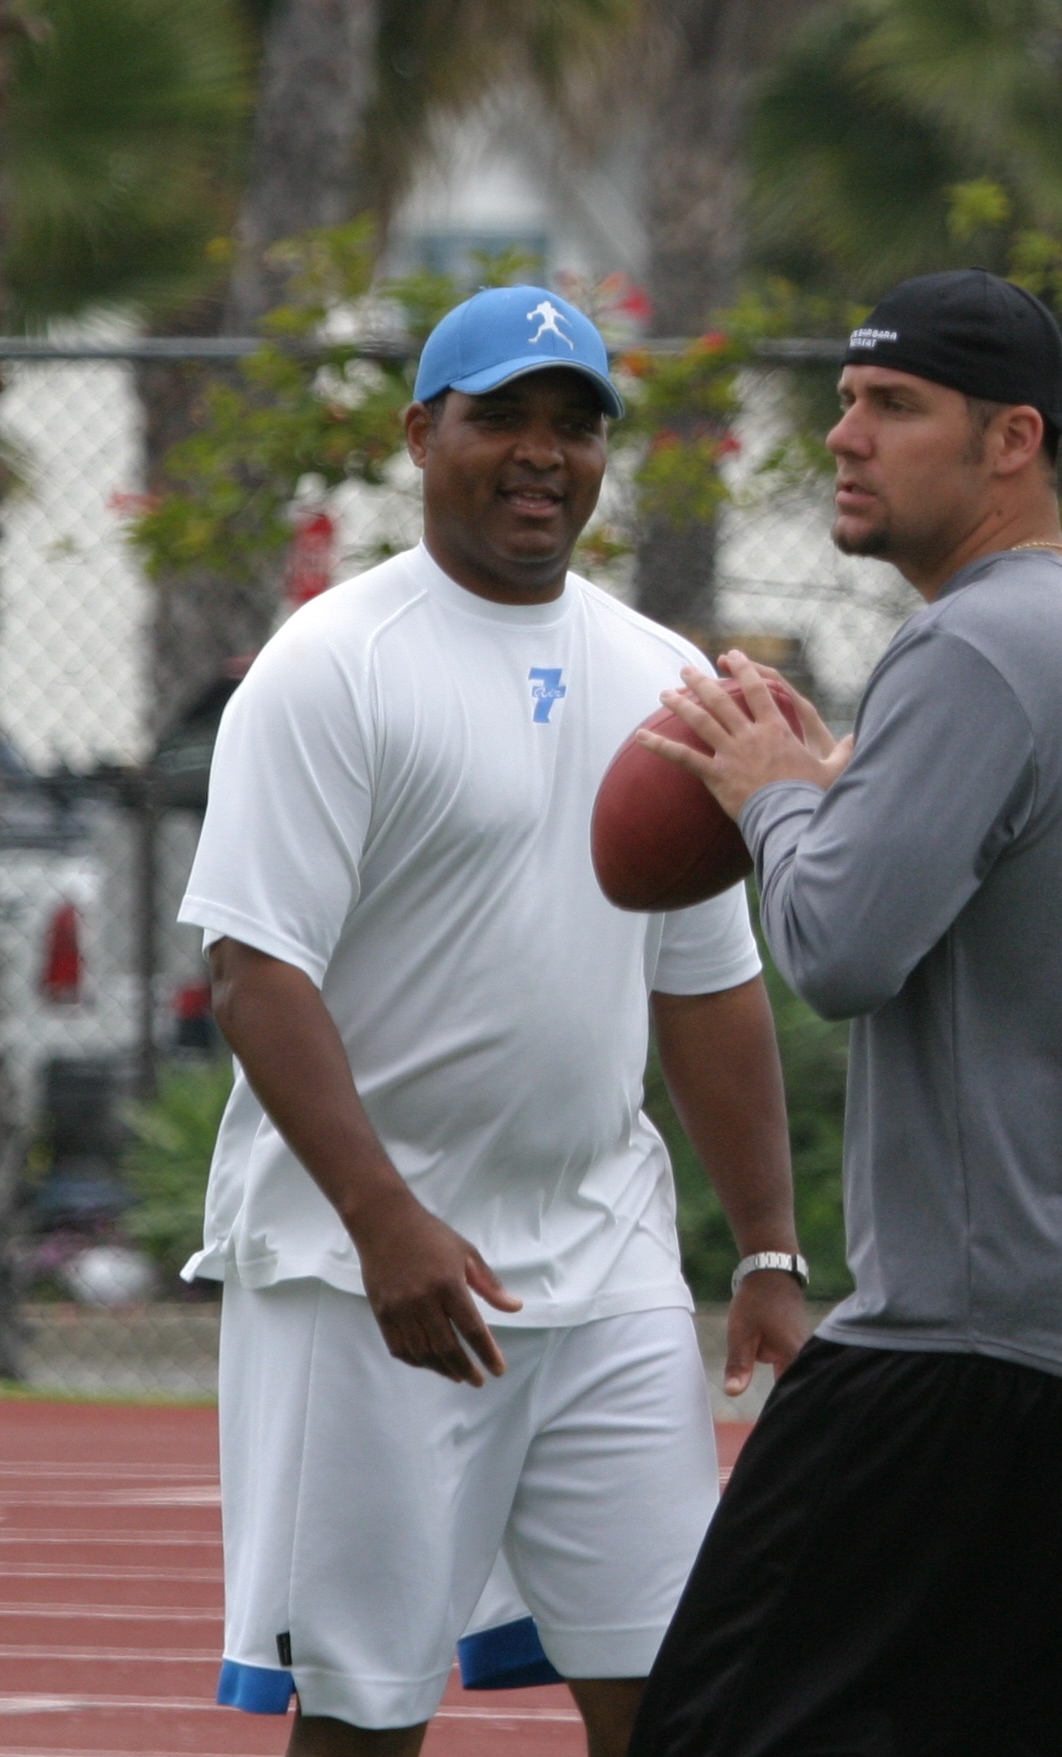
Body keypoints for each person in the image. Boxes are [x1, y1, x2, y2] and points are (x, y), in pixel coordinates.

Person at [630, 269, 1062, 1757]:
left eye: (891, 407)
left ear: (1012, 440)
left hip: (992, 1336)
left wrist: (771, 804)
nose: (842, 438)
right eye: (843, 404)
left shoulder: (969, 644)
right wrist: (837, 791)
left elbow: (837, 948)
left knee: (715, 1728)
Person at [178, 283, 811, 1757]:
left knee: (681, 1698)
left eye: (574, 426)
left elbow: (706, 982)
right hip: (366, 1277)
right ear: (420, 434)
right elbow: (255, 972)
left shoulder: (667, 679)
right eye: (503, 418)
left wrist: (769, 1248)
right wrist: (384, 1220)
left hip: (606, 1264)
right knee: (364, 1716)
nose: (542, 455)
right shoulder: (332, 665)